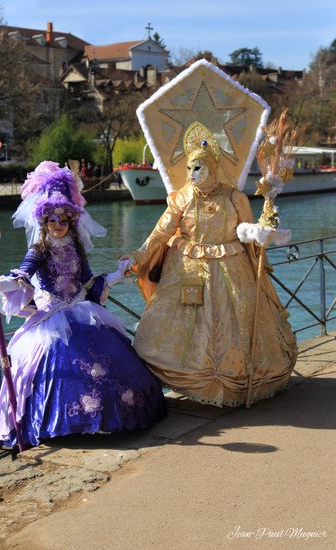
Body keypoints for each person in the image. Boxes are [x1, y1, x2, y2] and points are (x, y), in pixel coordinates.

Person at [0, 161, 166, 448]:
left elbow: (88, 281)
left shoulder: (76, 247)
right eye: (52, 220)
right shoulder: (39, 249)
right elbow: (22, 274)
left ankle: (105, 422)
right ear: (44, 223)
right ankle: (62, 425)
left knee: (112, 370)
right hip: (52, 317)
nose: (57, 225)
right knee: (47, 373)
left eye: (63, 220)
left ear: (71, 221)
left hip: (83, 312)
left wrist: (118, 274)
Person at [120, 123, 297, 408]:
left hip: (232, 269)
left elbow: (246, 232)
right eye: (190, 168)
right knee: (187, 325)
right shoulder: (182, 198)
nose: (192, 175)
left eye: (199, 168)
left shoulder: (234, 197)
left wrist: (261, 231)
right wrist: (138, 255)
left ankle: (237, 384)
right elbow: (161, 233)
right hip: (188, 269)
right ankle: (194, 379)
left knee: (235, 322)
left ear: (213, 167)